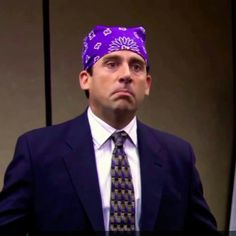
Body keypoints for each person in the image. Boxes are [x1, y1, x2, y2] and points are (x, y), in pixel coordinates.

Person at [0, 25, 218, 234]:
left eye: (136, 66)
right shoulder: (38, 152)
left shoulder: (178, 157)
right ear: (86, 79)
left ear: (148, 84)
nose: (126, 75)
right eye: (112, 64)